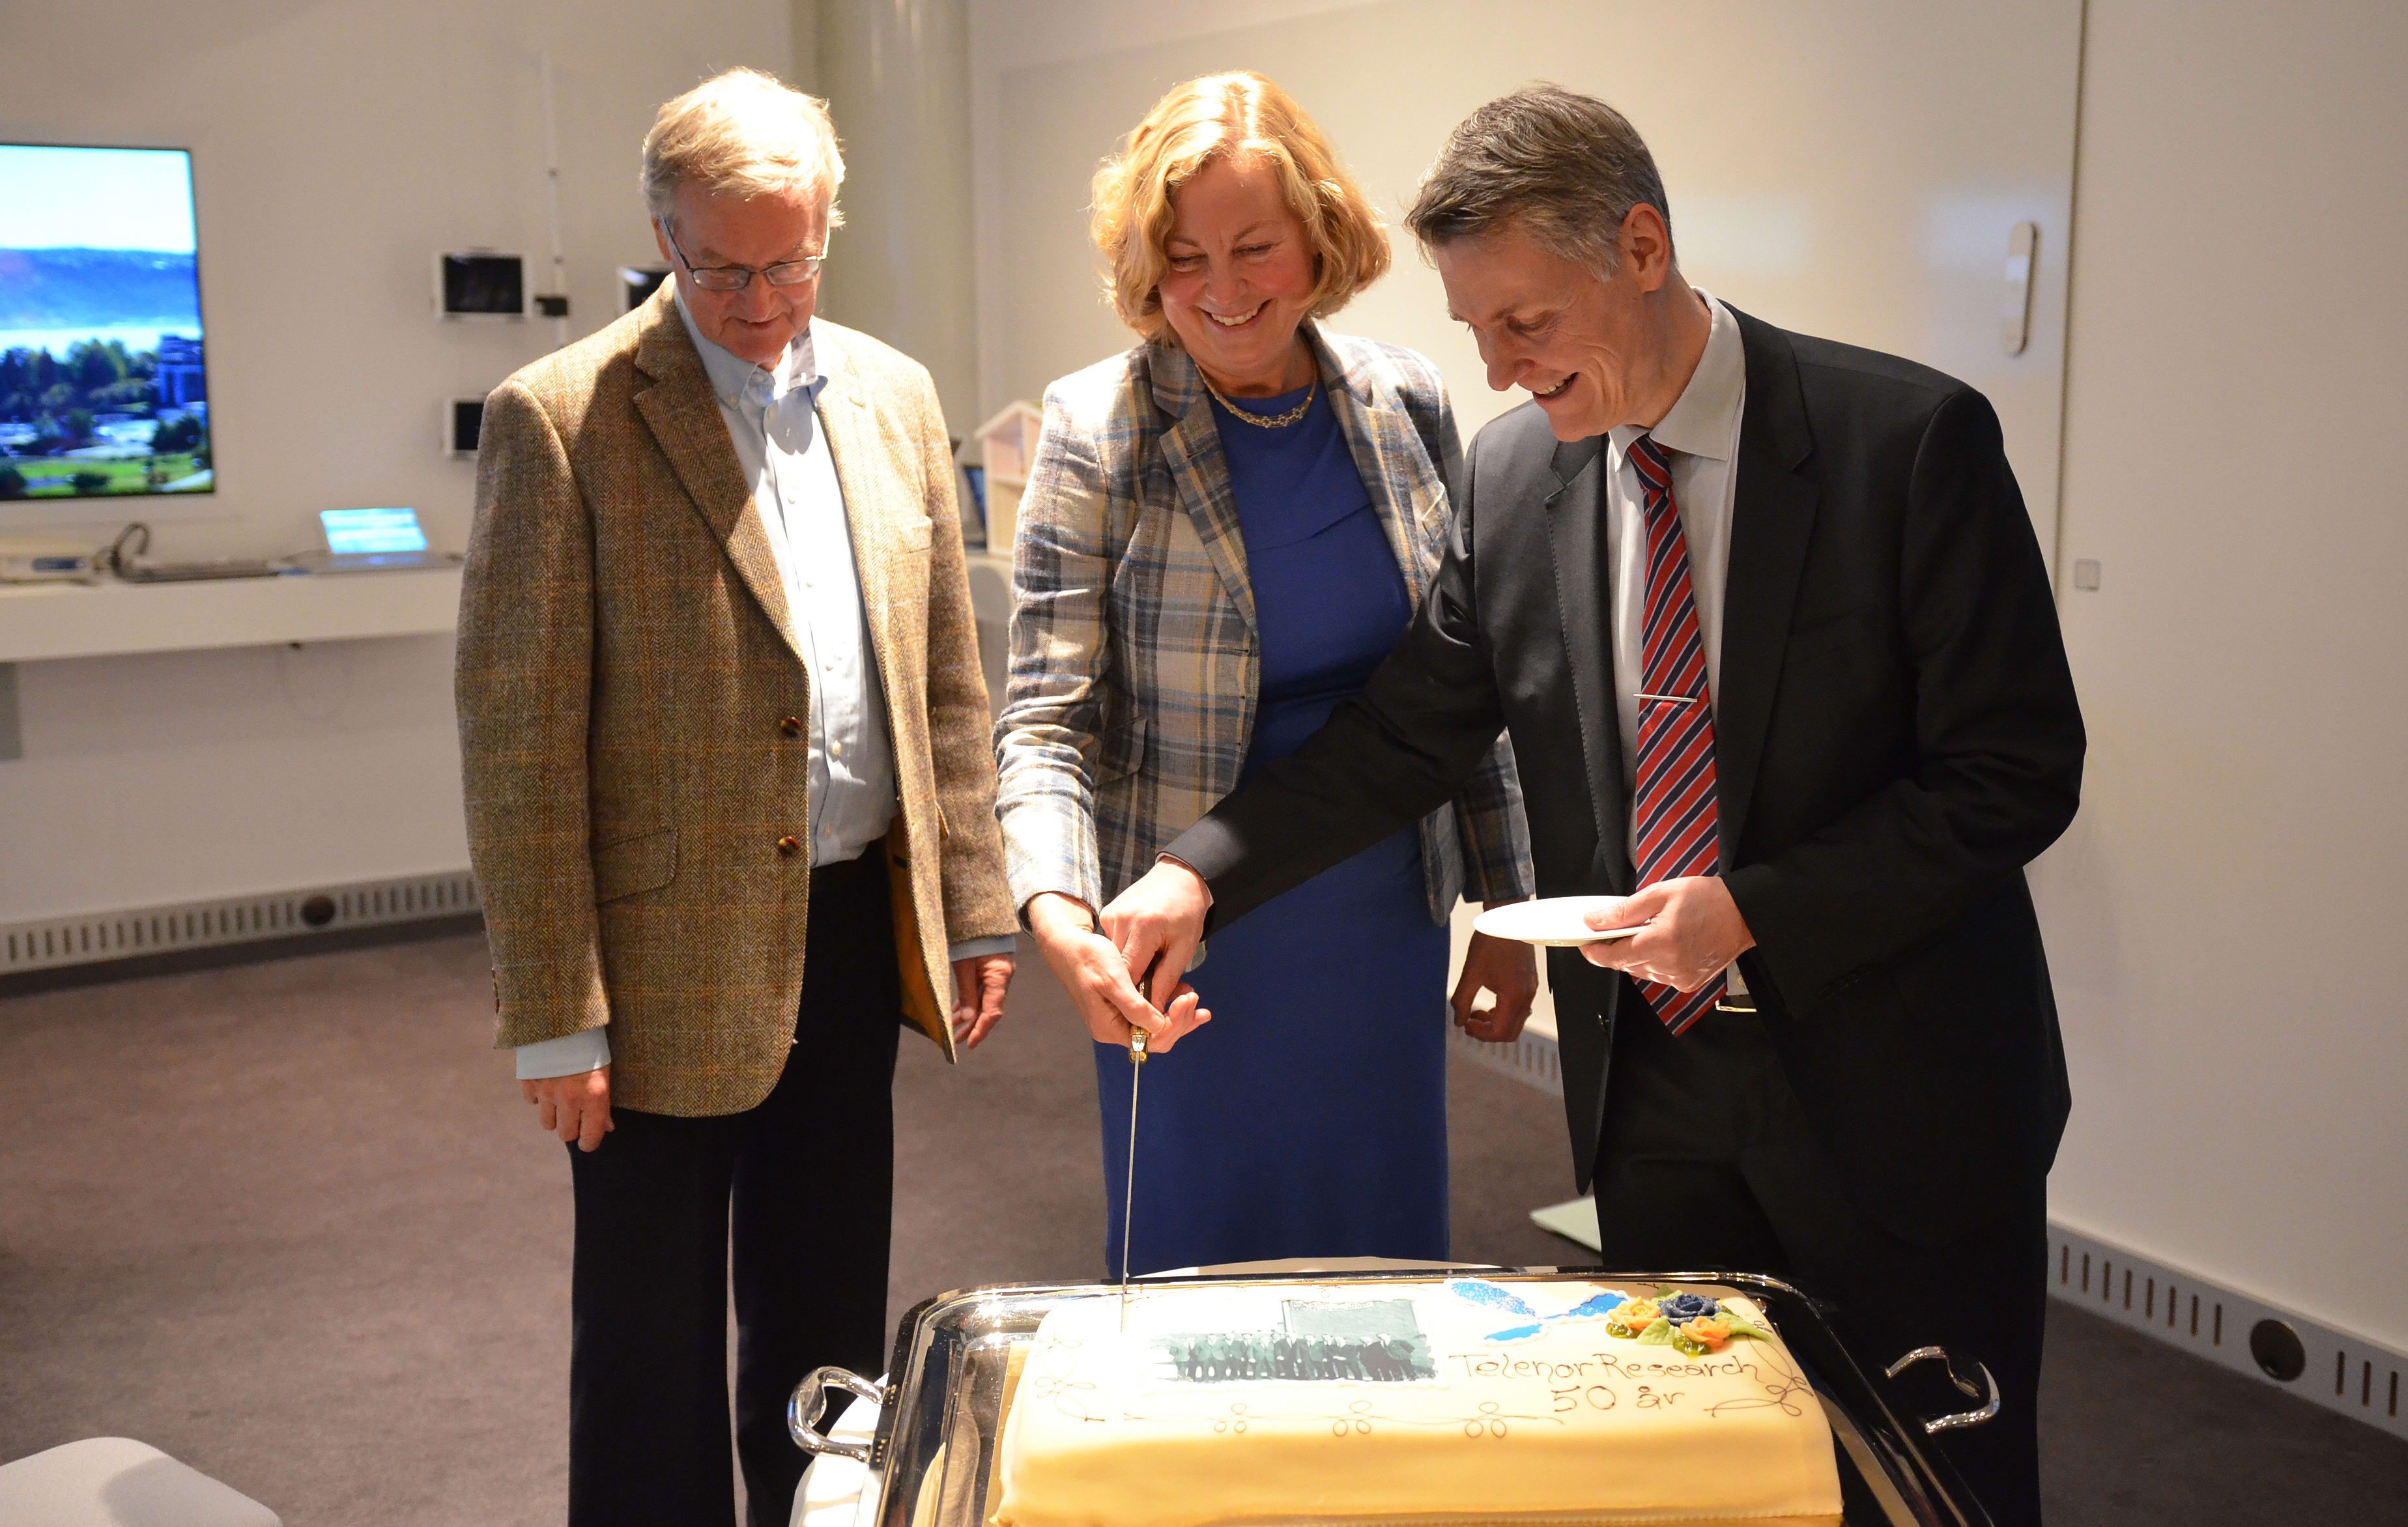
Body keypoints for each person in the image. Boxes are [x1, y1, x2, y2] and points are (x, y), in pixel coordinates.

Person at [1104, 85, 2083, 1524]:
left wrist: (1751, 911)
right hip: (1659, 1096)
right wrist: (1198, 871)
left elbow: (2015, 771)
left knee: (1924, 1477)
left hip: (1897, 1093)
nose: (1498, 371)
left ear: (1639, 247)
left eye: (1526, 323)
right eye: (1476, 331)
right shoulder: (1517, 478)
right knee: (1686, 1475)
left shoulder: (1907, 445)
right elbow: (1398, 739)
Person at [454, 68, 1017, 1527]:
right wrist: (555, 1010)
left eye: (790, 263)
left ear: (828, 228)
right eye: (719, 267)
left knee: (831, 1313)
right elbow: (517, 743)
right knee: (646, 1334)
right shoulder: (563, 419)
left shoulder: (894, 398)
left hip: (847, 924)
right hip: (654, 961)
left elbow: (946, 685)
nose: (761, 300)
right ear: (662, 232)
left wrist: (970, 907)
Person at [994, 72, 1537, 1276]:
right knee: (1199, 1268)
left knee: (1377, 1257)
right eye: (1183, 257)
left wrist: (1504, 906)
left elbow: (1465, 687)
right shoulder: (1100, 427)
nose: (1223, 293)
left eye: (1254, 249)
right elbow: (1044, 721)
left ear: (1320, 239)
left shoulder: (1402, 402)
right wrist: (1057, 911)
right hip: (1182, 931)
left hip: (1379, 911)